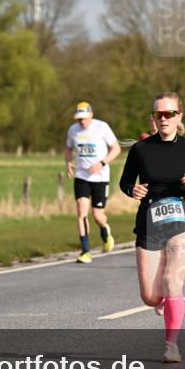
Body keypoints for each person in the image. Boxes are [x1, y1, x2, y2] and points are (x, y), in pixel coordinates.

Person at [119, 92, 185, 363]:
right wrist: (132, 189)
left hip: (183, 217)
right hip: (149, 217)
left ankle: (171, 344)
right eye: (159, 114)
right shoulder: (140, 150)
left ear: (179, 116)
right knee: (150, 296)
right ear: (153, 117)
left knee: (173, 280)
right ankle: (163, 301)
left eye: (169, 113)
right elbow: (126, 182)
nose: (164, 119)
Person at [65, 102, 120, 264]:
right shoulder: (73, 130)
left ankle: (105, 231)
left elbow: (116, 148)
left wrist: (102, 163)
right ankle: (85, 251)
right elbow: (68, 148)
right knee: (81, 212)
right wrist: (68, 163)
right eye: (79, 118)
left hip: (100, 177)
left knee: (97, 215)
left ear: (91, 115)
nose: (82, 122)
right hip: (81, 176)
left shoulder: (102, 127)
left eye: (84, 118)